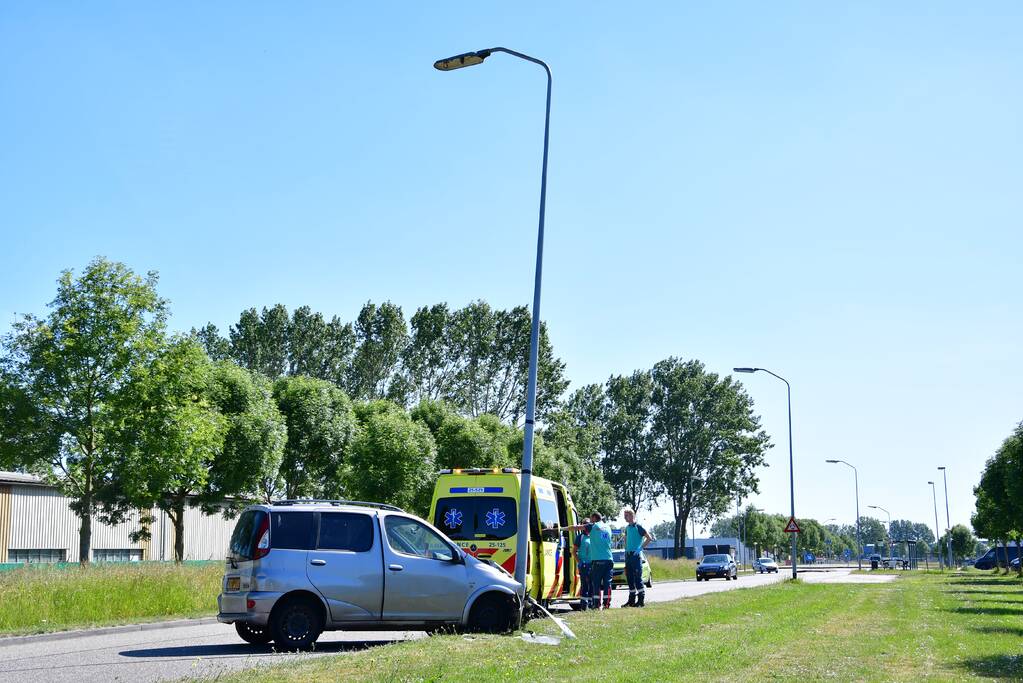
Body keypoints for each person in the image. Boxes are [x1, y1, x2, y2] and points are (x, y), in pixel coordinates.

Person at [622, 507, 653, 607]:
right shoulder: (627, 528)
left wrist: (640, 548)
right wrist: (626, 551)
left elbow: (649, 538)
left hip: (636, 556)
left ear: (632, 516)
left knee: (637, 578)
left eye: (626, 515)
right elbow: (626, 541)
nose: (625, 517)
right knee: (630, 578)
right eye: (624, 515)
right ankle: (631, 601)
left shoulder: (638, 527)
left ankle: (641, 600)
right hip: (628, 555)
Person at [573, 521, 592, 610]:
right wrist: (580, 562)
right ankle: (584, 605)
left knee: (592, 584)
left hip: (593, 564)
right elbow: (574, 551)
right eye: (585, 524)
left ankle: (591, 604)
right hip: (584, 565)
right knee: (585, 585)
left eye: (588, 524)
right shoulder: (580, 537)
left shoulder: (593, 536)